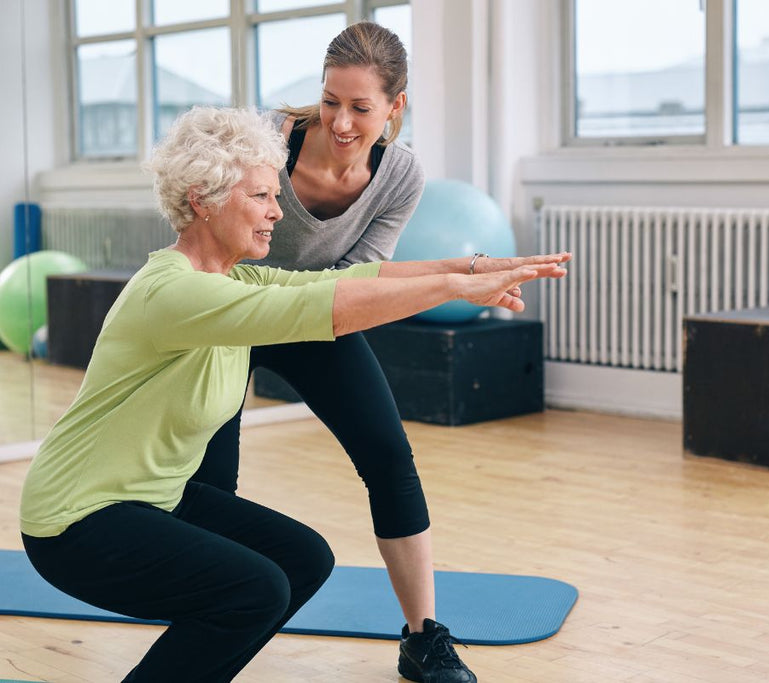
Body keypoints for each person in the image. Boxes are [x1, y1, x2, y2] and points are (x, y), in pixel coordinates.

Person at [19, 106, 569, 683]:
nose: (278, 212)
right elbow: (321, 309)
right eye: (261, 196)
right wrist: (455, 289)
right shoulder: (173, 293)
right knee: (253, 589)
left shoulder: (234, 277)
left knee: (302, 561)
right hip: (77, 519)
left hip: (152, 496)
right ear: (203, 199)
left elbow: (347, 281)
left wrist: (476, 265)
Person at [193, 21, 572, 683]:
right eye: (331, 100)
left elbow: (359, 279)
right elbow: (200, 230)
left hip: (316, 315)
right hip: (231, 312)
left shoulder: (398, 174)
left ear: (395, 107)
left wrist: (460, 275)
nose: (341, 121)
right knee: (211, 483)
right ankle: (203, 618)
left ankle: (423, 637)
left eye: (361, 107)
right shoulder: (265, 140)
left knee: (390, 457)